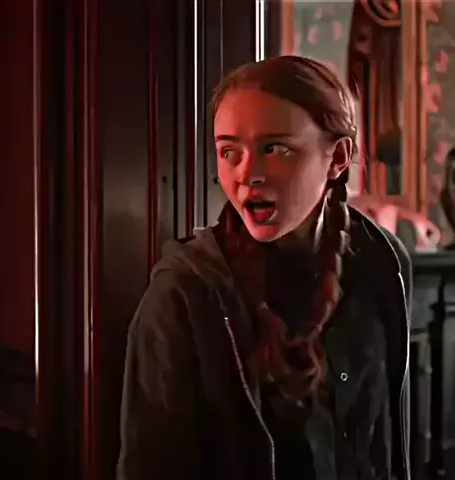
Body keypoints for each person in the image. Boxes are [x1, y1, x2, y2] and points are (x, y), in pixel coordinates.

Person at [117, 55, 412, 480]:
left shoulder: (381, 263)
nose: (247, 174)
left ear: (337, 157)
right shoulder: (185, 294)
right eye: (228, 151)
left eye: (275, 148)